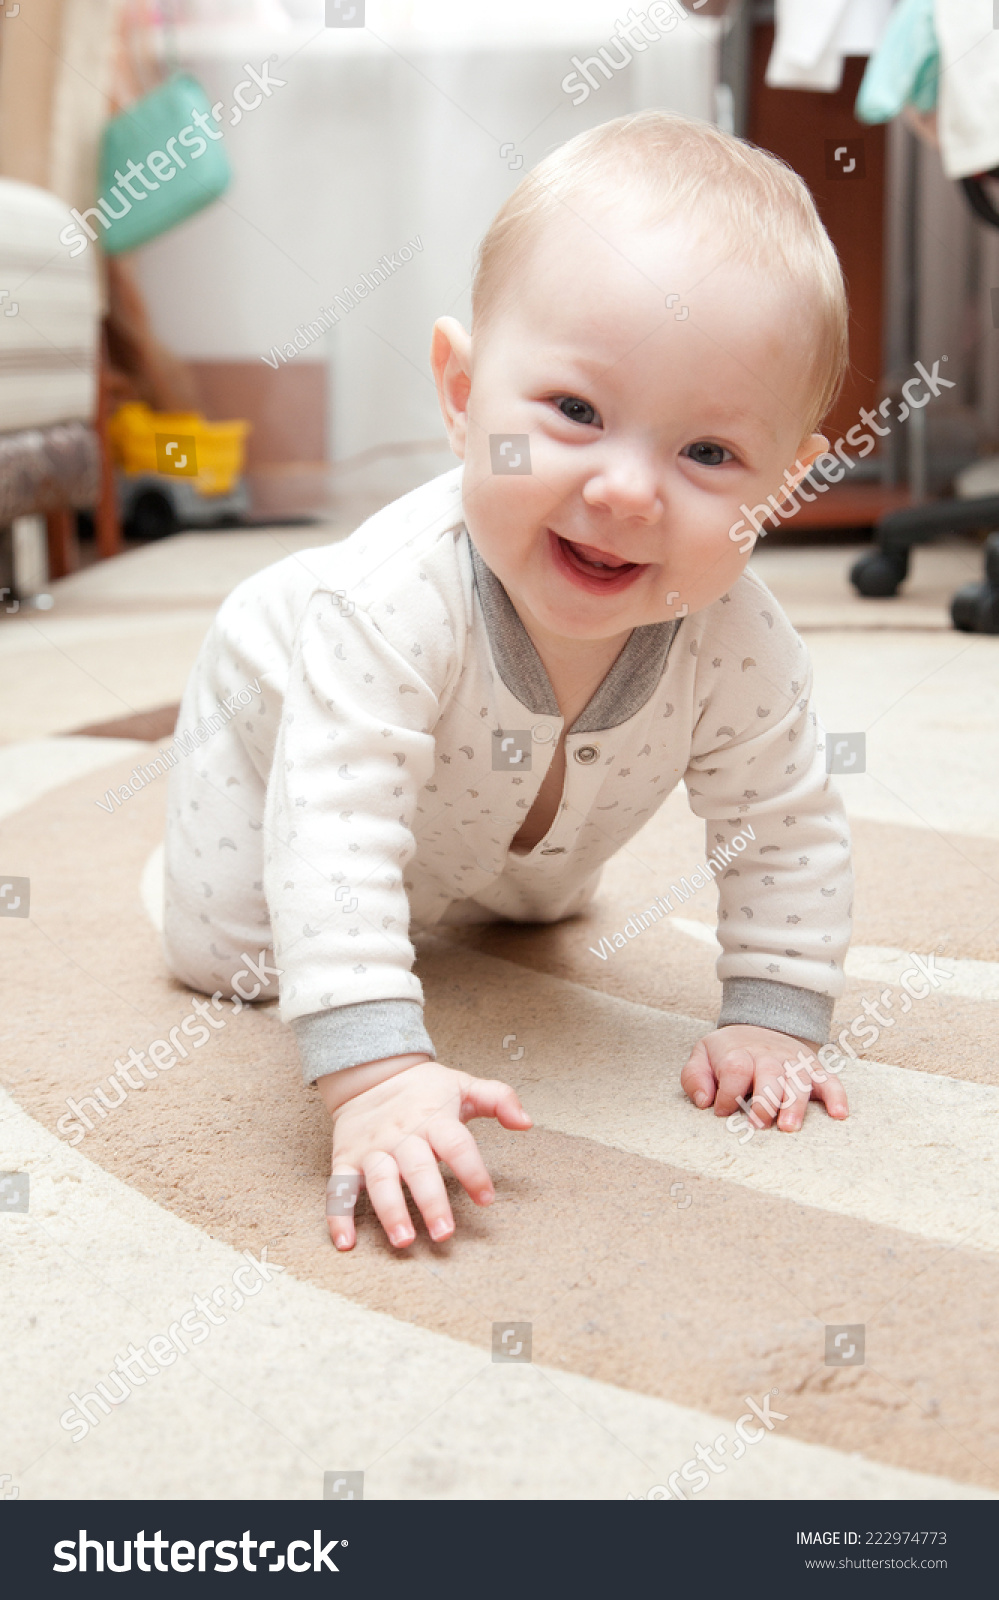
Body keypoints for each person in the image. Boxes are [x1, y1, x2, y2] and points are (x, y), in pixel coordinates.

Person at [163, 111, 853, 1253]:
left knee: (532, 897)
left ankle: (474, 871)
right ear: (460, 392)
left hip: (505, 798)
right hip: (276, 708)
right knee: (233, 955)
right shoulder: (387, 600)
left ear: (784, 486)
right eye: (575, 413)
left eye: (710, 455)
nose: (628, 491)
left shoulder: (744, 642)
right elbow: (335, 822)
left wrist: (774, 1017)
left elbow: (784, 826)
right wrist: (376, 1076)